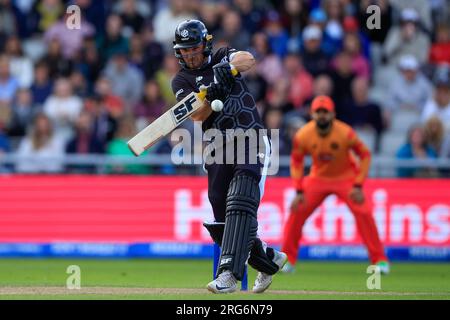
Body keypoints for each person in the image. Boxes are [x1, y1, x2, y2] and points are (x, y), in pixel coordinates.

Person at [171, 19, 287, 294]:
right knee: (222, 216)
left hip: (250, 136)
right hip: (217, 146)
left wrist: (228, 68)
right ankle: (268, 260)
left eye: (194, 48)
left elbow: (248, 59)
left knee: (241, 199)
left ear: (206, 44)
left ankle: (228, 276)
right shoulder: (181, 80)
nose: (189, 54)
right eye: (184, 50)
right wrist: (213, 91)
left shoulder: (221, 55)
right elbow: (198, 115)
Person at [281, 95, 390, 274]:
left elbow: (365, 155)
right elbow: (296, 162)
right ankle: (286, 260)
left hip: (345, 178)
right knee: (296, 209)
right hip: (318, 178)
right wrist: (299, 189)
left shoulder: (345, 132)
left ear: (333, 114)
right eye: (318, 112)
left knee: (364, 212)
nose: (322, 115)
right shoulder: (303, 135)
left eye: (326, 112)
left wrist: (358, 185)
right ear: (312, 114)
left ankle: (380, 260)